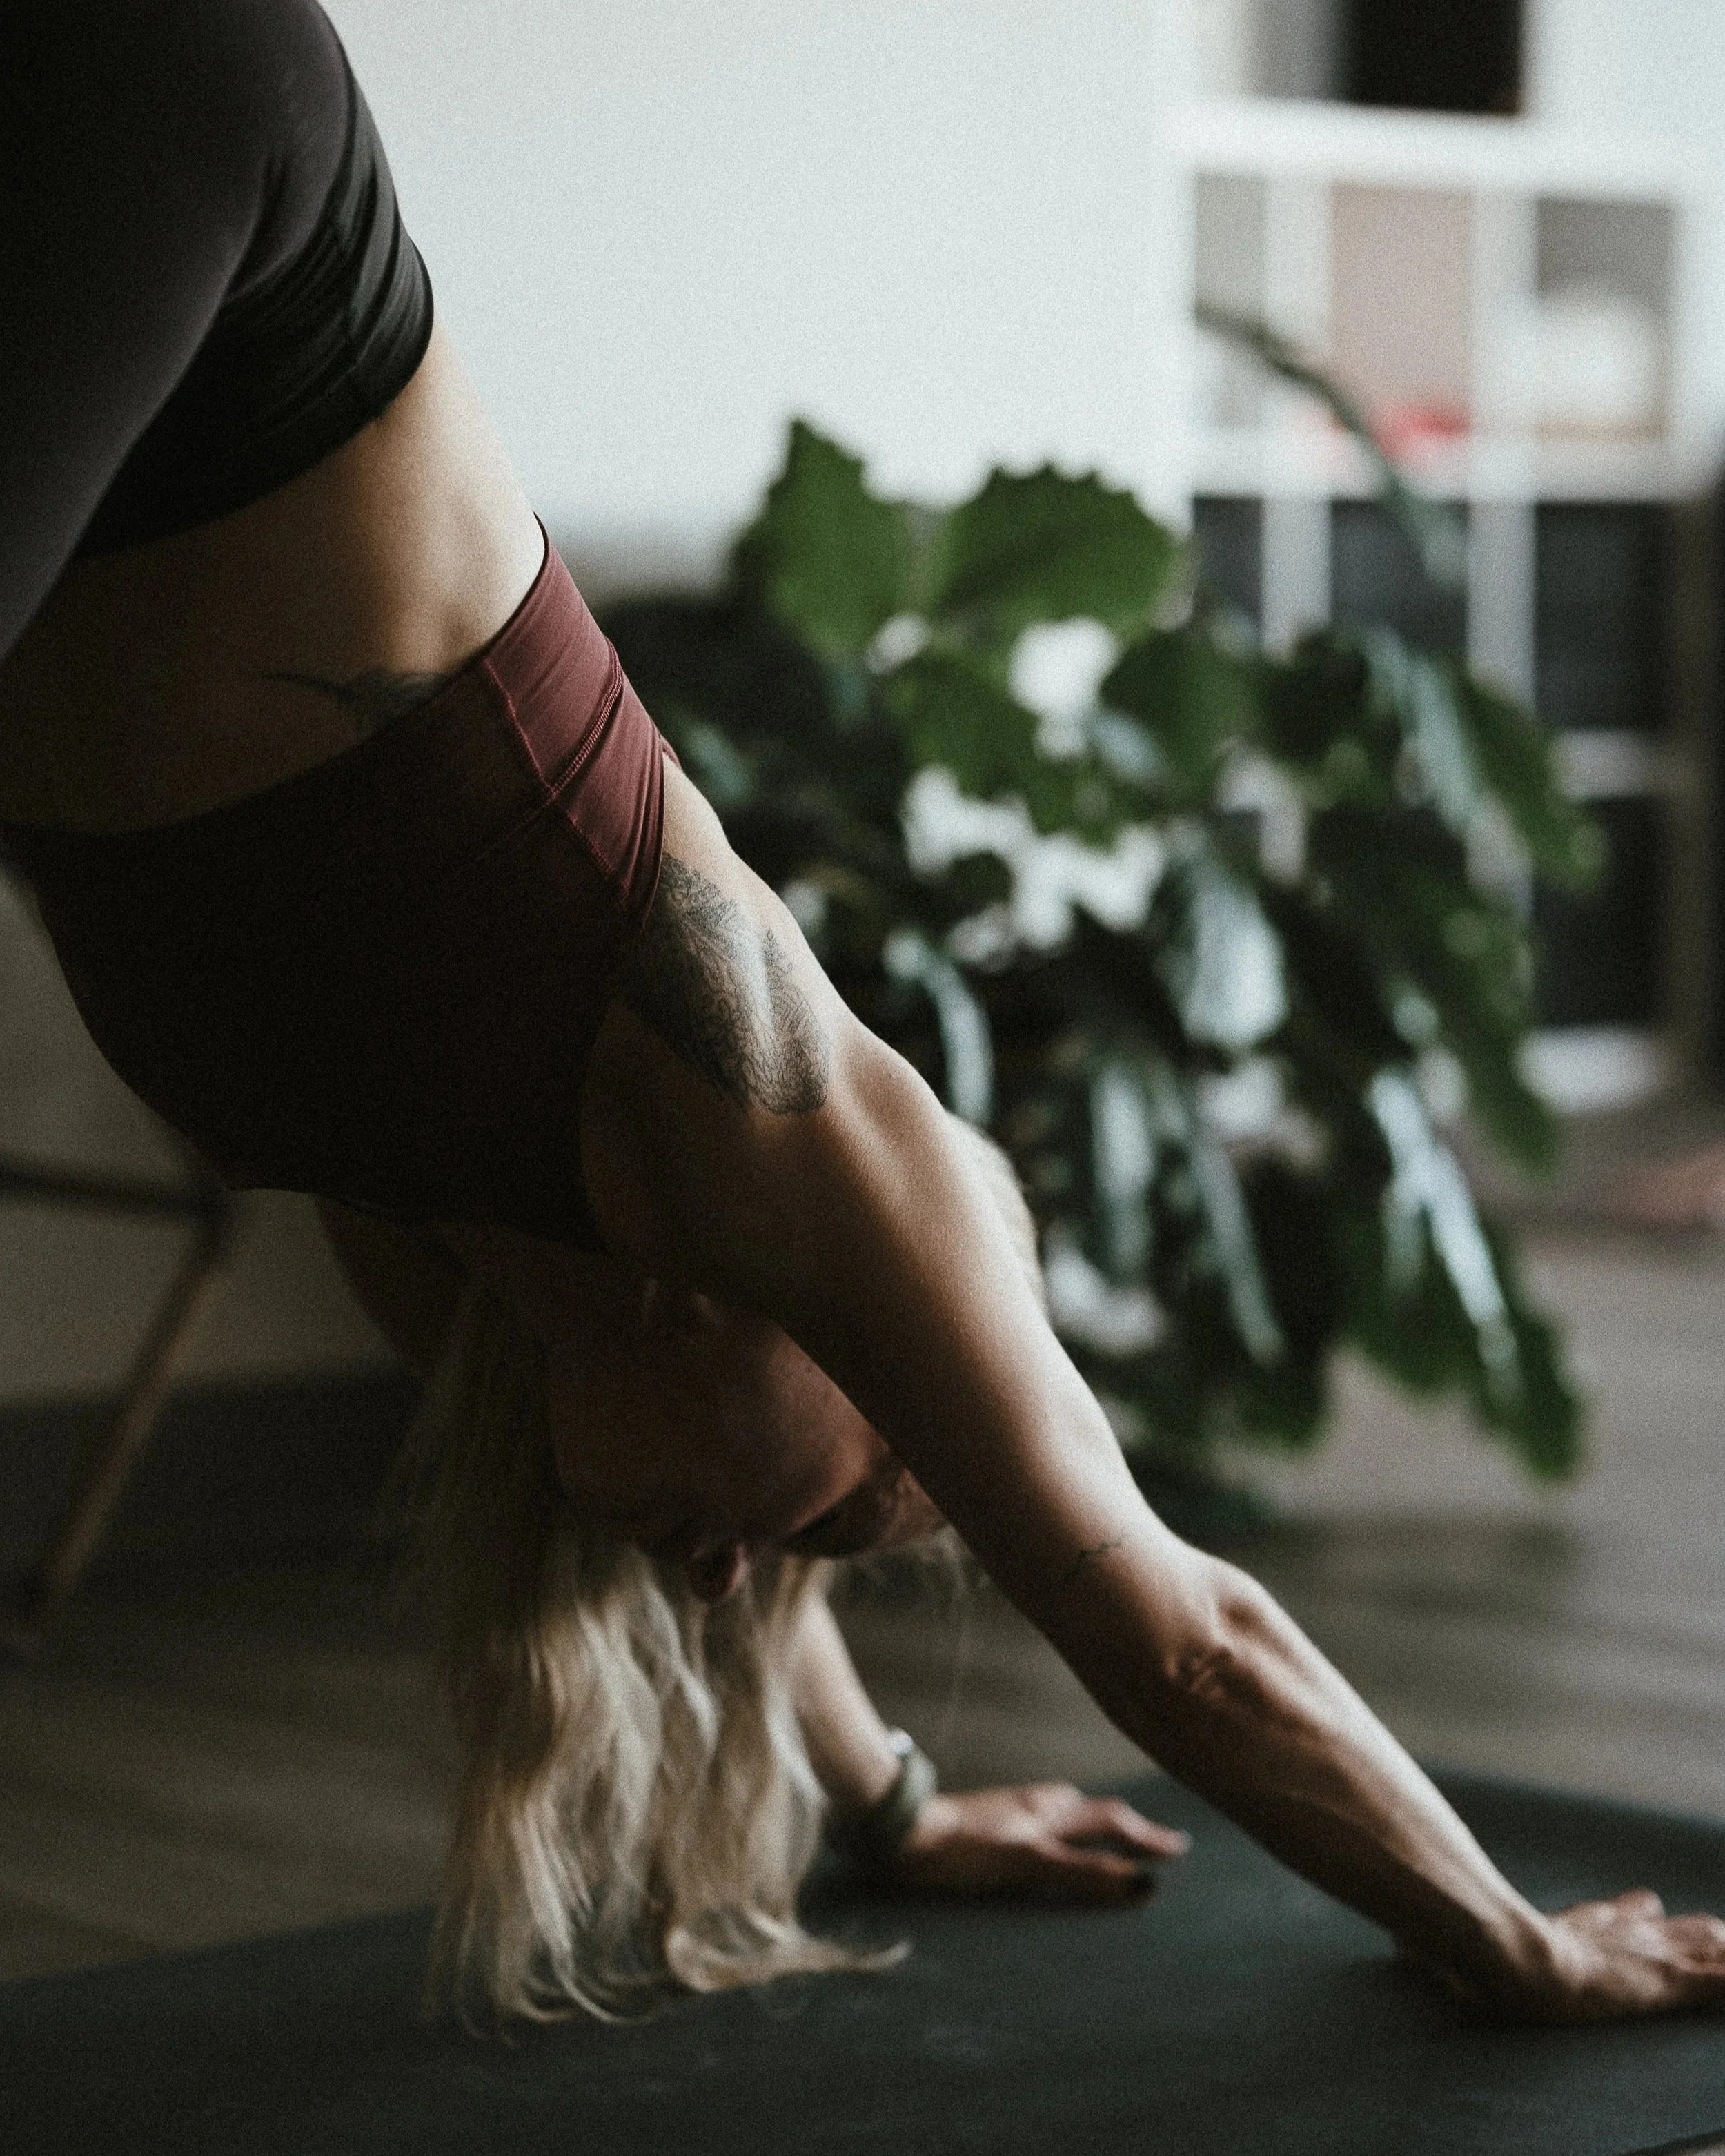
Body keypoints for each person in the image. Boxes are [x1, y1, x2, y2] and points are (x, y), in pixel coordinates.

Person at [4, 0, 1724, 2028]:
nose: (736, 1573)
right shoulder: (775, 1113)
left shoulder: (457, 1236)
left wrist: (887, 1796)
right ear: (816, 1309)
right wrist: (1516, 1941)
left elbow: (731, 1471)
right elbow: (1180, 1638)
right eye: (818, 1518)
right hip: (181, 120)